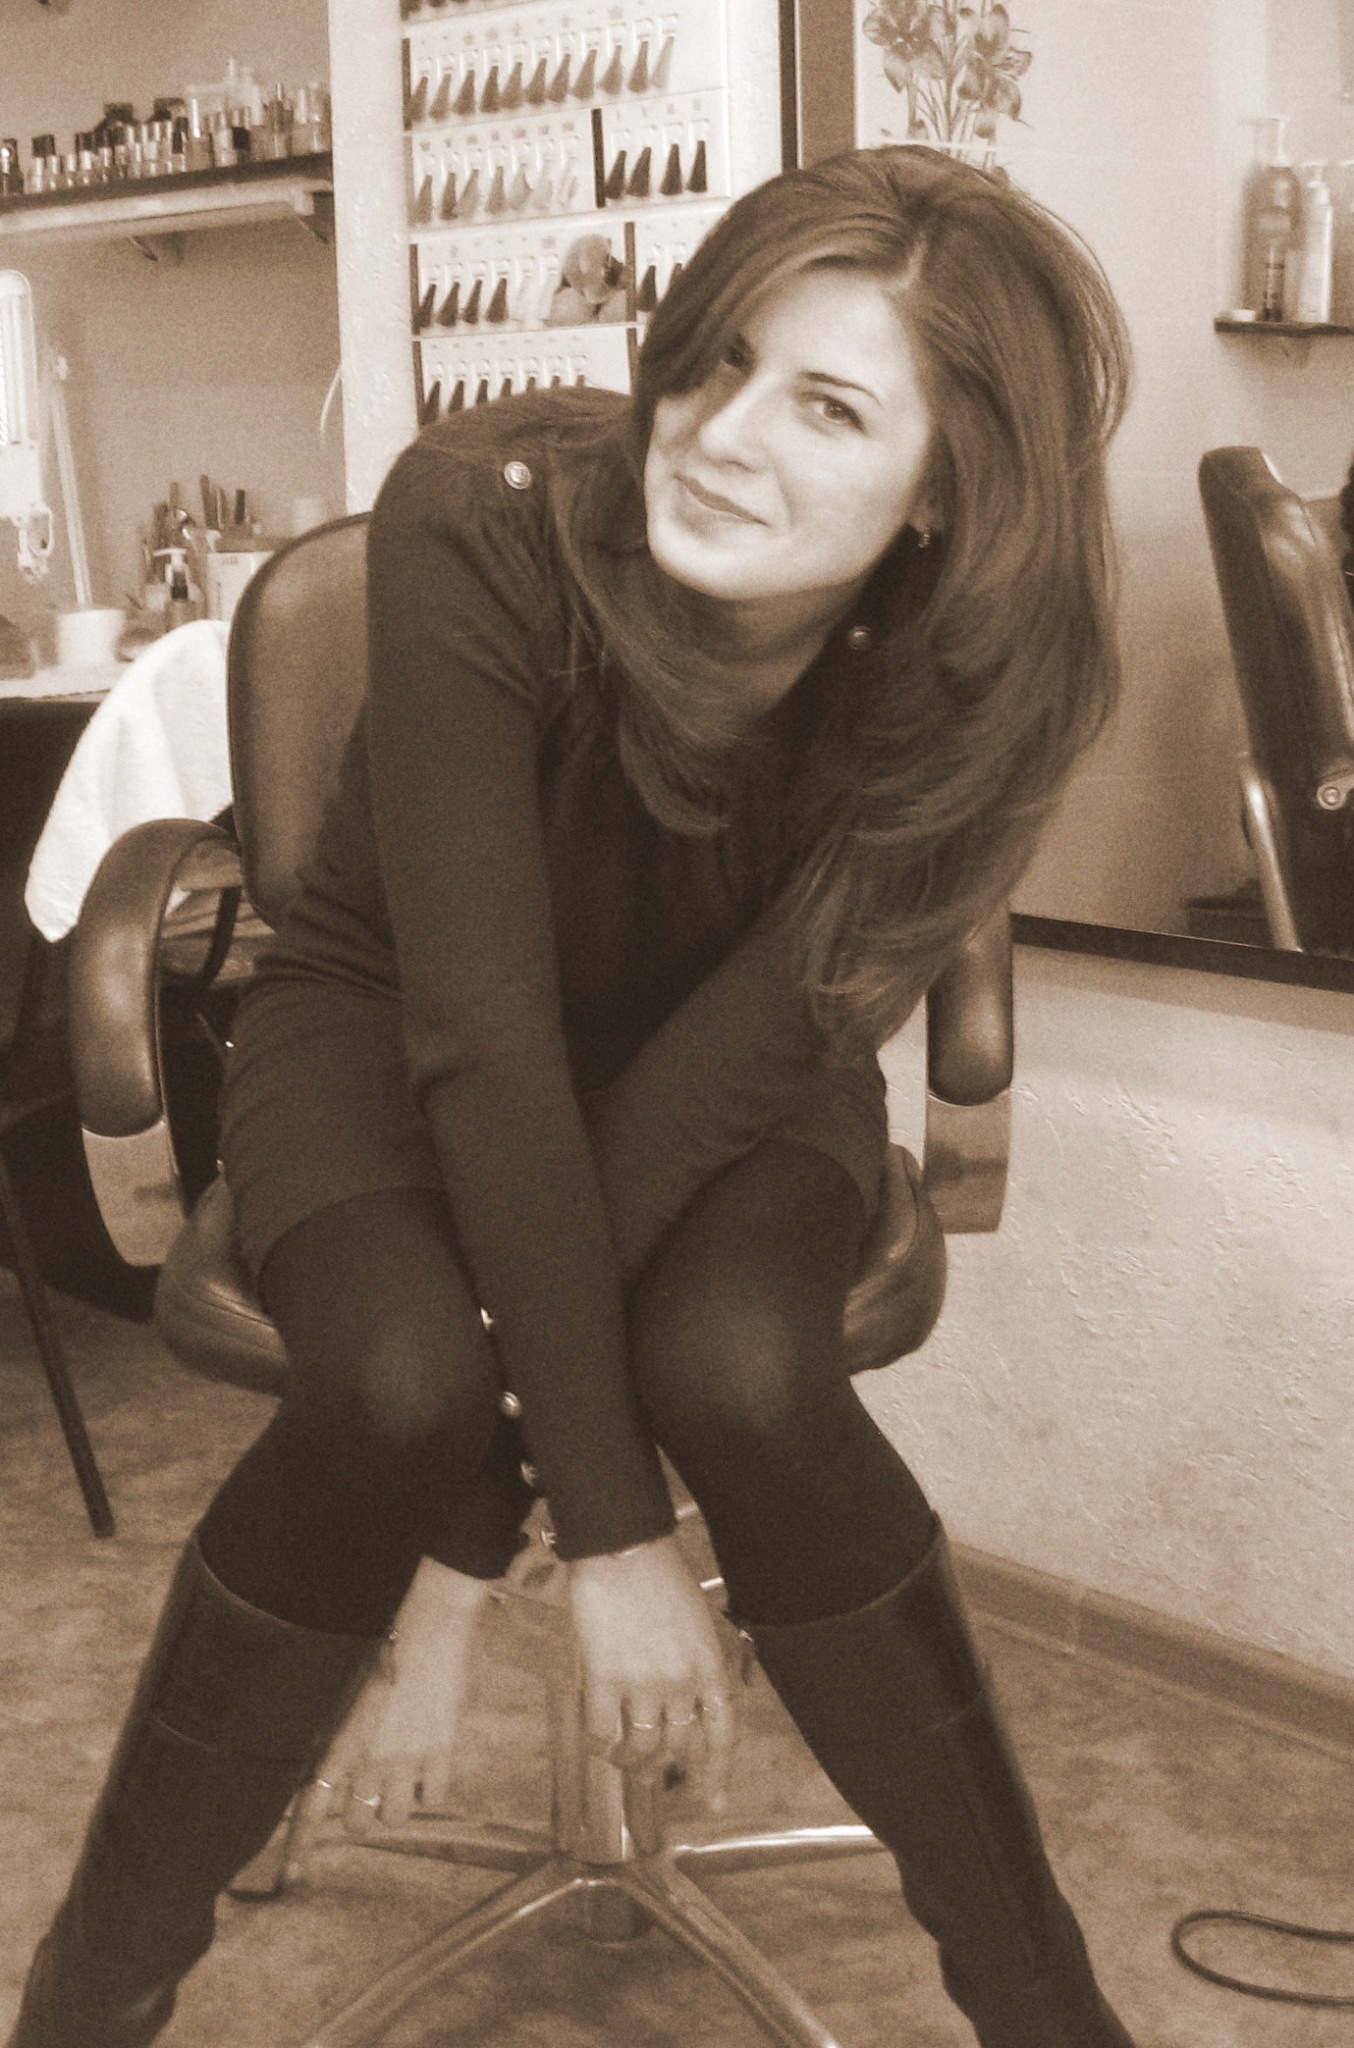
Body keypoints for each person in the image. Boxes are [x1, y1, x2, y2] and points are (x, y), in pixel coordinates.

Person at [11, 146, 1137, 2048]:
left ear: (948, 490)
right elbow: (478, 1039)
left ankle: (1047, 2016)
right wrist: (604, 1537)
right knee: (392, 1381)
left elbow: (691, 1098)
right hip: (392, 1019)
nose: (719, 435)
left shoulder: (989, 693)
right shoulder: (486, 513)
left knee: (742, 1369)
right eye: (721, 359)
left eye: (830, 407)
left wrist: (466, 1553)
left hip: (730, 1065)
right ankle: (81, 2010)